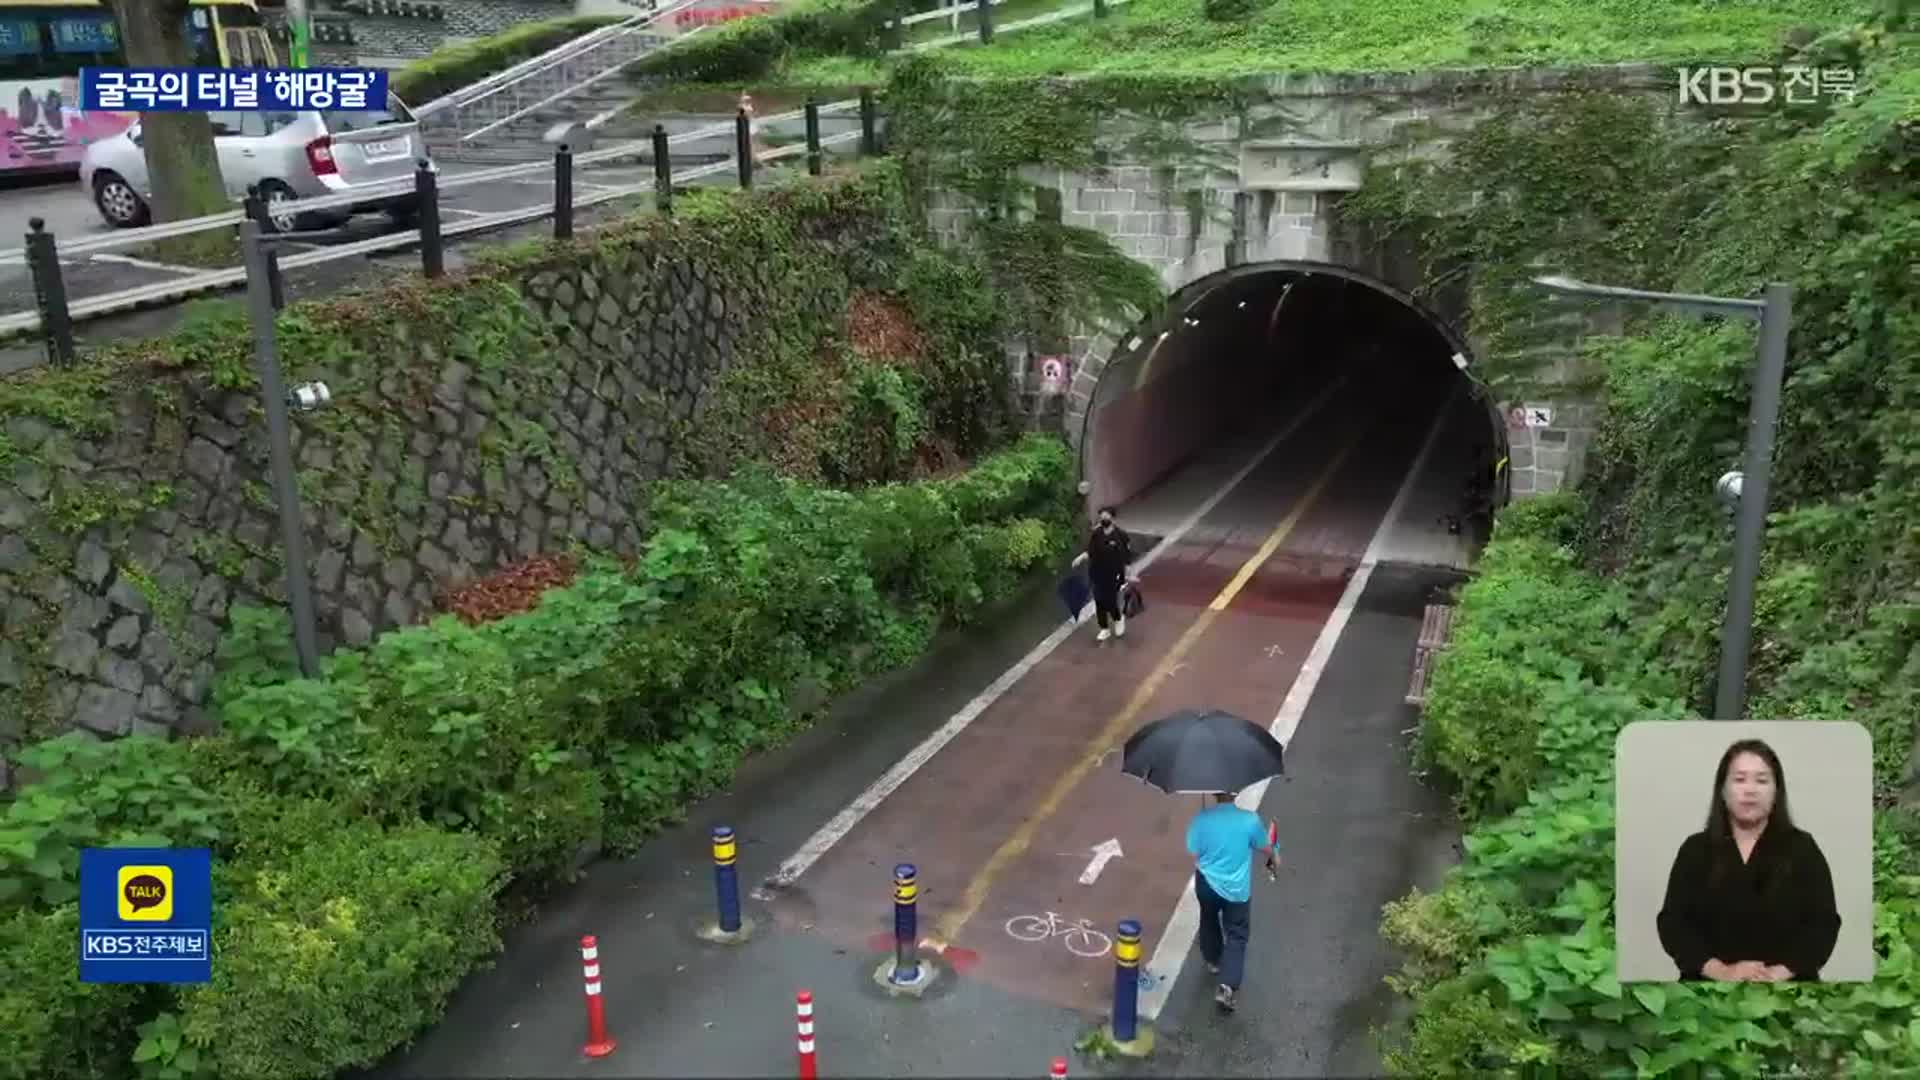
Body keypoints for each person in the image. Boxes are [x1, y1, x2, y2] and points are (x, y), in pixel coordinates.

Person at [1655, 738, 1841, 982]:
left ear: (1776, 791)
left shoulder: (1802, 848)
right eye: (1739, 779)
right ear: (1722, 790)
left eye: (1762, 780)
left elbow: (1824, 923)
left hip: (1788, 991)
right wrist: (1721, 971)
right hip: (1708, 993)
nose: (1750, 790)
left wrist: (1779, 973)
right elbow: (1673, 923)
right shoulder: (1696, 849)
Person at [1186, 792, 1278, 1011]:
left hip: (1207, 884)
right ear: (1236, 793)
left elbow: (1193, 852)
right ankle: (1227, 985)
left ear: (1215, 794)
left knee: (1208, 919)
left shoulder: (1201, 819)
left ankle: (1212, 960)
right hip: (1237, 890)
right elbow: (1267, 849)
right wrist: (1275, 856)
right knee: (1237, 933)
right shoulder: (1249, 820)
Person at [1071, 505, 1137, 642]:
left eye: (1106, 516)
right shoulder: (1096, 533)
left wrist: (1129, 574)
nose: (1103, 519)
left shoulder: (1121, 535)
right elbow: (1090, 550)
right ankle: (1104, 628)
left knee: (1110, 600)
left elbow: (1127, 556)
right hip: (1097, 572)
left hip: (1114, 574)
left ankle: (1118, 619)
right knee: (1099, 600)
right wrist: (1080, 558)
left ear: (1112, 518)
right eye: (1101, 516)